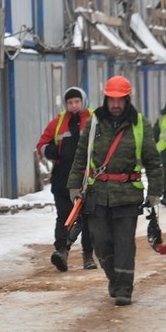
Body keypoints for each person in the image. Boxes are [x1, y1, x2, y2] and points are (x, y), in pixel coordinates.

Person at [67, 75, 162, 307]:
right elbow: (81, 156)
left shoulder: (140, 124)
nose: (116, 105)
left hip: (128, 194)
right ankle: (114, 278)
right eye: (112, 100)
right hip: (97, 193)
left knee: (124, 243)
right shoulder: (94, 123)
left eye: (120, 100)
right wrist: (73, 185)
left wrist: (155, 191)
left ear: (127, 99)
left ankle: (124, 289)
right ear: (106, 99)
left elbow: (152, 159)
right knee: (100, 242)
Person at [35, 86, 95, 272]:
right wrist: (57, 151)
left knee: (87, 218)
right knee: (64, 216)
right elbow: (42, 145)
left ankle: (88, 255)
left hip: (88, 178)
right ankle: (61, 252)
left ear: (83, 101)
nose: (74, 105)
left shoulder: (95, 119)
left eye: (77, 102)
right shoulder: (59, 122)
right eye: (70, 103)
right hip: (63, 178)